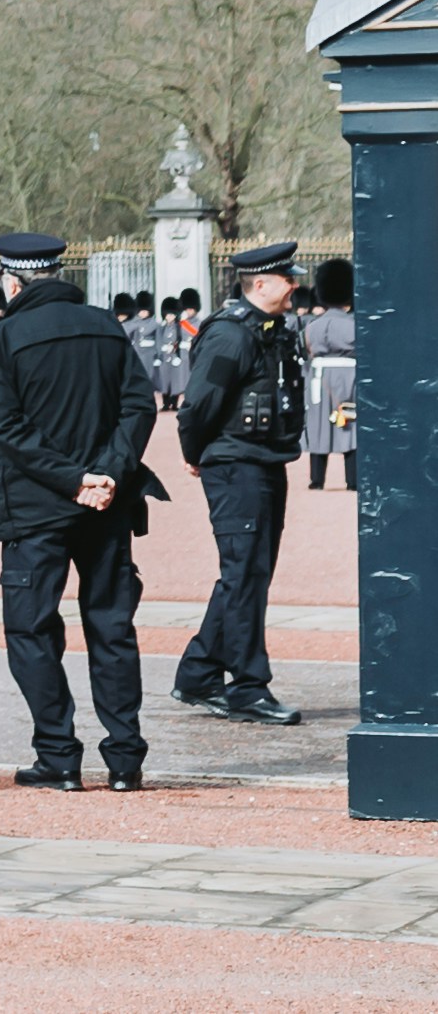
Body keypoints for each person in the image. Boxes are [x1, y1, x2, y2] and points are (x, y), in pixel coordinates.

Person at [0, 228, 164, 791]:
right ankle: (125, 760)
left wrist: (72, 478)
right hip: (106, 503)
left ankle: (59, 756)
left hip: (36, 505)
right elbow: (139, 407)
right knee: (111, 626)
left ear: (13, 281)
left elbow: (9, 428)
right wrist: (106, 473)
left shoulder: (2, 337)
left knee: (30, 629)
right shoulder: (107, 326)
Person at [174, 239, 311, 724]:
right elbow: (198, 404)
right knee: (245, 573)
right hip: (236, 465)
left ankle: (198, 672)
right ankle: (248, 686)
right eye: (287, 278)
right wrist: (195, 454)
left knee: (249, 574)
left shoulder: (272, 329)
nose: (294, 285)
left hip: (265, 460)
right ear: (260, 283)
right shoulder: (231, 334)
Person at [308, 257, 359, 492]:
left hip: (319, 376)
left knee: (319, 425)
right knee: (349, 423)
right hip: (348, 375)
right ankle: (353, 480)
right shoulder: (354, 324)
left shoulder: (312, 326)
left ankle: (317, 479)